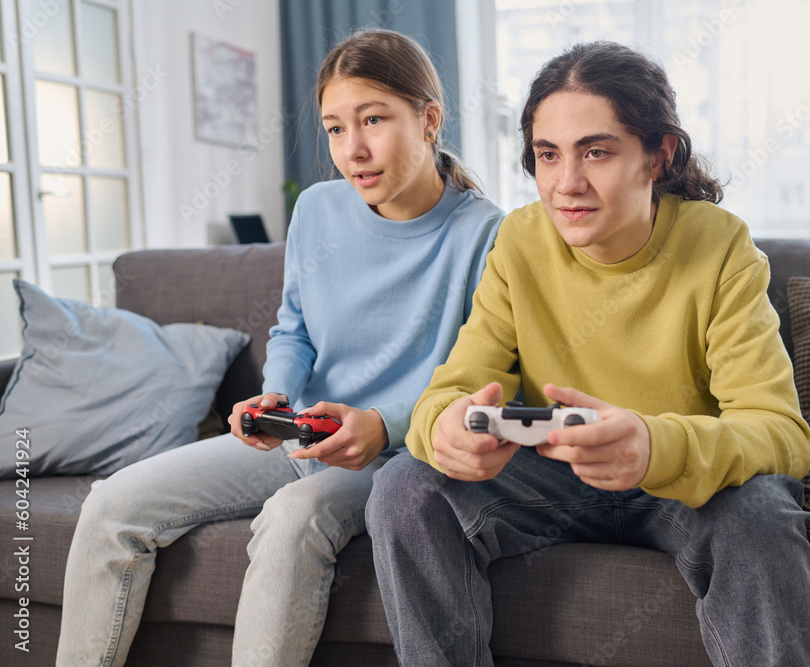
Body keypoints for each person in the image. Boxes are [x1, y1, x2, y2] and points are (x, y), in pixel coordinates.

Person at [365, 41, 810, 666]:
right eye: (547, 155)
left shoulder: (721, 248)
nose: (566, 183)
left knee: (761, 515)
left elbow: (780, 435)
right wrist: (444, 428)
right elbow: (450, 391)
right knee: (404, 486)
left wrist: (650, 443)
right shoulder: (520, 242)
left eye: (597, 151)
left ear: (658, 155)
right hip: (556, 478)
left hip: (684, 487)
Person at [56, 28, 503, 667]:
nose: (354, 150)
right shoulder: (318, 209)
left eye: (374, 119)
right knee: (110, 505)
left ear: (429, 119)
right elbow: (292, 326)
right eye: (335, 128)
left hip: (399, 454)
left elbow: (480, 371)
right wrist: (278, 394)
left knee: (296, 517)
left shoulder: (486, 232)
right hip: (303, 433)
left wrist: (382, 425)